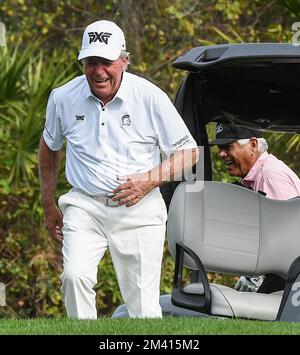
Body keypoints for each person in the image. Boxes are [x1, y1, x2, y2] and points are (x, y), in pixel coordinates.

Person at [38, 20, 198, 319]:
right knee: (74, 277)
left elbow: (188, 152)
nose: (98, 71)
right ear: (83, 61)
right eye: (91, 62)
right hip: (84, 204)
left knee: (143, 308)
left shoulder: (150, 97)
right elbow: (50, 146)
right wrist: (48, 202)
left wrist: (148, 181)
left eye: (107, 62)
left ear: (124, 60)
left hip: (140, 209)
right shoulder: (62, 97)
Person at [209, 122, 300, 293]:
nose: (221, 154)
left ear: (253, 145)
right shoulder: (260, 174)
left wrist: (257, 276)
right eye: (220, 148)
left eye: (228, 147)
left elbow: (289, 235)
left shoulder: (270, 176)